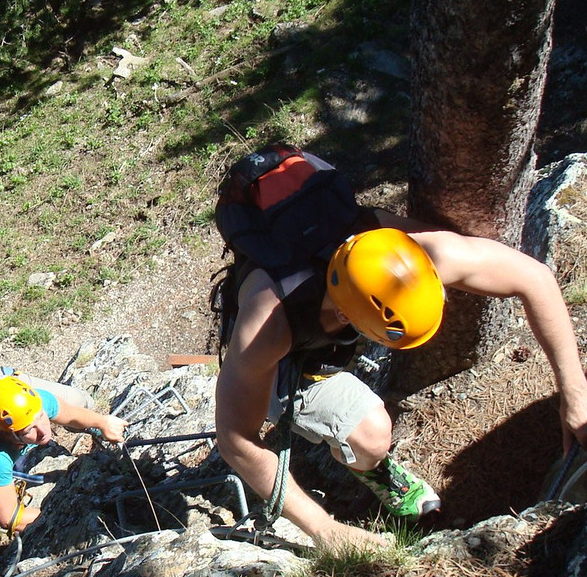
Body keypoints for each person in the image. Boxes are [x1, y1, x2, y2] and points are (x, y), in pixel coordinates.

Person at [215, 212, 587, 550]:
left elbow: (535, 277)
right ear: (347, 316)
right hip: (286, 359)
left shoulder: (403, 253)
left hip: (321, 320)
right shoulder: (267, 329)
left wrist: (574, 391)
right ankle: (374, 469)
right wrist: (326, 530)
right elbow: (235, 438)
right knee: (371, 435)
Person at [0, 363, 128, 533]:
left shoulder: (34, 404)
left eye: (42, 417)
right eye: (30, 430)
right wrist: (70, 511)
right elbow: (10, 518)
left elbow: (72, 414)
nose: (44, 431)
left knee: (80, 400)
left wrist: (102, 422)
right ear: (6, 432)